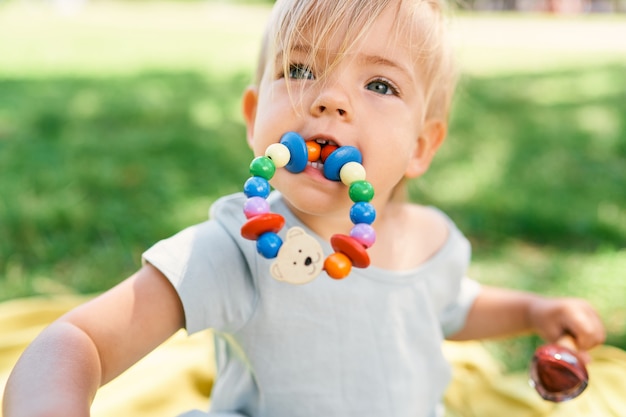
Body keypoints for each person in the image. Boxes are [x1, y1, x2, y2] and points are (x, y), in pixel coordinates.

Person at [2, 0, 606, 416]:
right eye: (300, 68)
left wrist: (533, 307)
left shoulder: (431, 239)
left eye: (379, 85)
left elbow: (448, 305)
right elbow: (78, 340)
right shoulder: (235, 247)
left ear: (422, 146)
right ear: (252, 116)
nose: (330, 100)